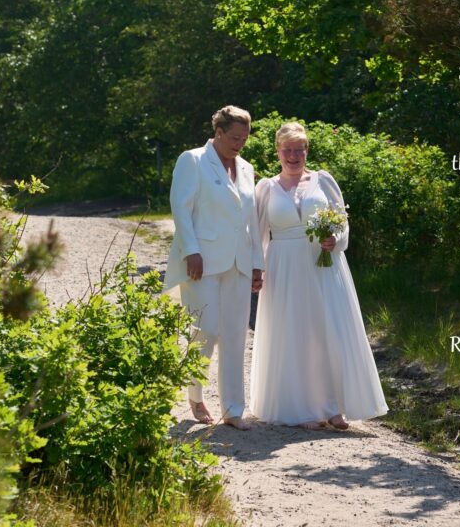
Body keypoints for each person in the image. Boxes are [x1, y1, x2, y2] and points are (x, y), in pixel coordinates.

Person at [250, 122, 388, 430]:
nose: (294, 156)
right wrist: (255, 270)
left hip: (322, 264)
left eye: (299, 149)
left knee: (328, 331)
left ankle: (334, 407)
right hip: (284, 266)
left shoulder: (323, 181)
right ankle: (303, 408)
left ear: (307, 150)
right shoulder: (266, 188)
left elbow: (342, 222)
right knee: (294, 333)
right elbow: (258, 233)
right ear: (278, 152)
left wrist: (335, 240)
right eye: (287, 150)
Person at [164, 105, 264, 431]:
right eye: (235, 137)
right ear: (218, 132)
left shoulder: (247, 168)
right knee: (205, 330)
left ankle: (234, 409)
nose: (240, 144)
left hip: (238, 262)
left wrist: (257, 264)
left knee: (235, 335)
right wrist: (191, 250)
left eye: (245, 138)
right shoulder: (192, 160)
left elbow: (252, 220)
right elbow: (181, 207)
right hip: (202, 262)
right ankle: (195, 395)